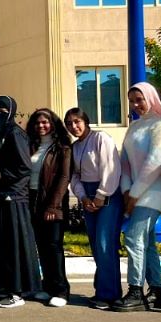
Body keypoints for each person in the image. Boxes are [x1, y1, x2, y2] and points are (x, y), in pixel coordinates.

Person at [113, 83, 161, 312]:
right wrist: (126, 189)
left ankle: (136, 291)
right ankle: (157, 292)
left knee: (133, 237)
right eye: (132, 101)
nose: (136, 104)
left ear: (151, 97)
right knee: (147, 244)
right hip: (134, 192)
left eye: (140, 99)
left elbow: (156, 161)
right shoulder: (135, 126)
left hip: (154, 192)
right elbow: (125, 162)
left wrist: (135, 193)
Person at [0, 96, 41, 309]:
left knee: (14, 246)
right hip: (0, 197)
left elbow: (23, 167)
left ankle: (17, 292)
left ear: (11, 112)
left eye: (3, 111)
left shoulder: (15, 133)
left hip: (14, 197)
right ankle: (2, 285)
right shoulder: (0, 134)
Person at [65, 107, 124, 309]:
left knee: (105, 243)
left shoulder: (101, 138)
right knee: (96, 245)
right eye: (69, 124)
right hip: (87, 196)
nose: (74, 126)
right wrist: (82, 197)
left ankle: (110, 294)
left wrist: (100, 196)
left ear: (85, 121)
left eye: (77, 121)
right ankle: (103, 290)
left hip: (107, 194)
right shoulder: (75, 147)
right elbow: (75, 175)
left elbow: (111, 169)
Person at [26, 108, 72, 307]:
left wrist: (53, 207)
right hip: (33, 200)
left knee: (54, 246)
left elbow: (64, 177)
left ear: (53, 123)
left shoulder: (62, 147)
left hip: (53, 201)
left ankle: (61, 290)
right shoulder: (32, 145)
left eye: (45, 122)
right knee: (42, 246)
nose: (41, 126)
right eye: (37, 123)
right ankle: (47, 287)